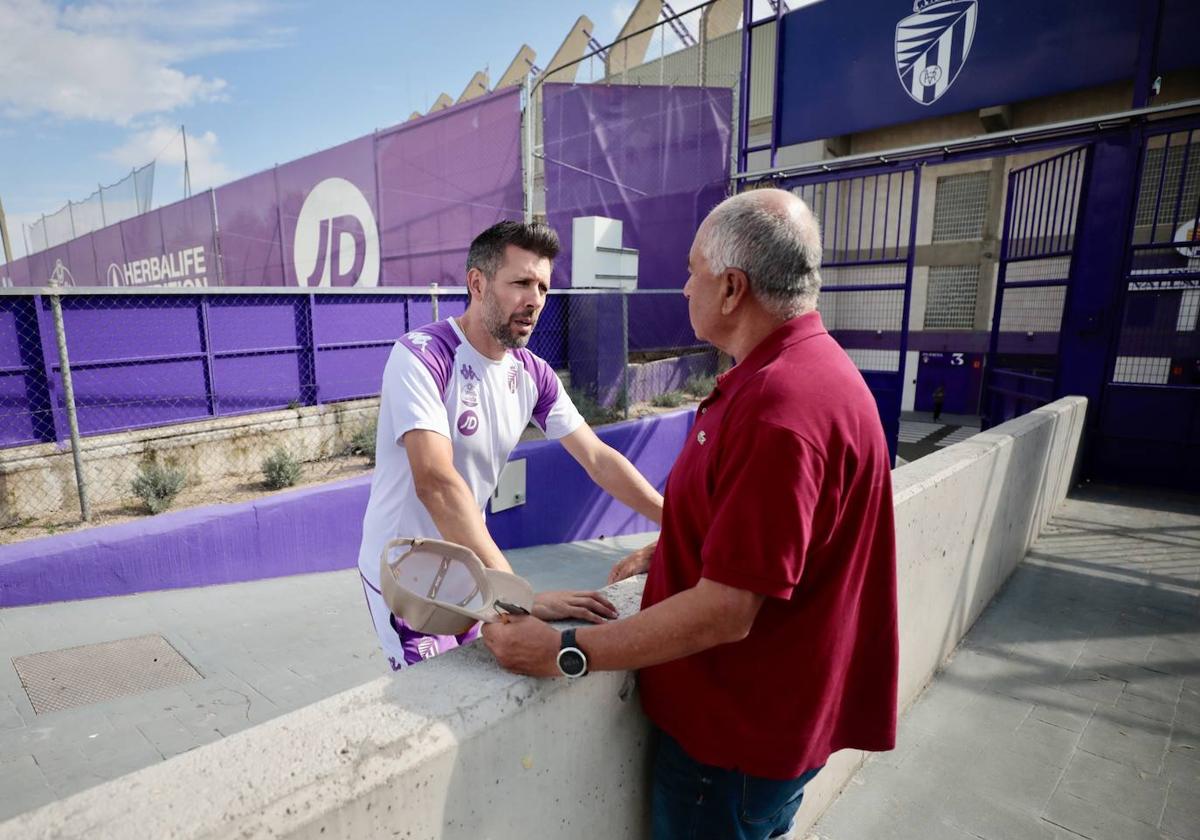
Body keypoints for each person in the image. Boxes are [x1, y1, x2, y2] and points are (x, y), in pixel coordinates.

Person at [482, 190, 899, 840]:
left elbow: (728, 611)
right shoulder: (811, 376)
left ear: (732, 288)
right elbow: (779, 541)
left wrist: (565, 651)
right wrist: (681, 543)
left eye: (692, 271)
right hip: (759, 738)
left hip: (729, 756)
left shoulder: (779, 409)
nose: (682, 289)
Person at [356, 220, 664, 672]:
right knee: (438, 704)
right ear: (477, 284)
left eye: (542, 286)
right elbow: (437, 483)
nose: (535, 300)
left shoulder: (532, 372)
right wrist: (520, 596)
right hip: (407, 572)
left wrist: (677, 524)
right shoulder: (422, 355)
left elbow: (598, 459)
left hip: (470, 566)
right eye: (521, 282)